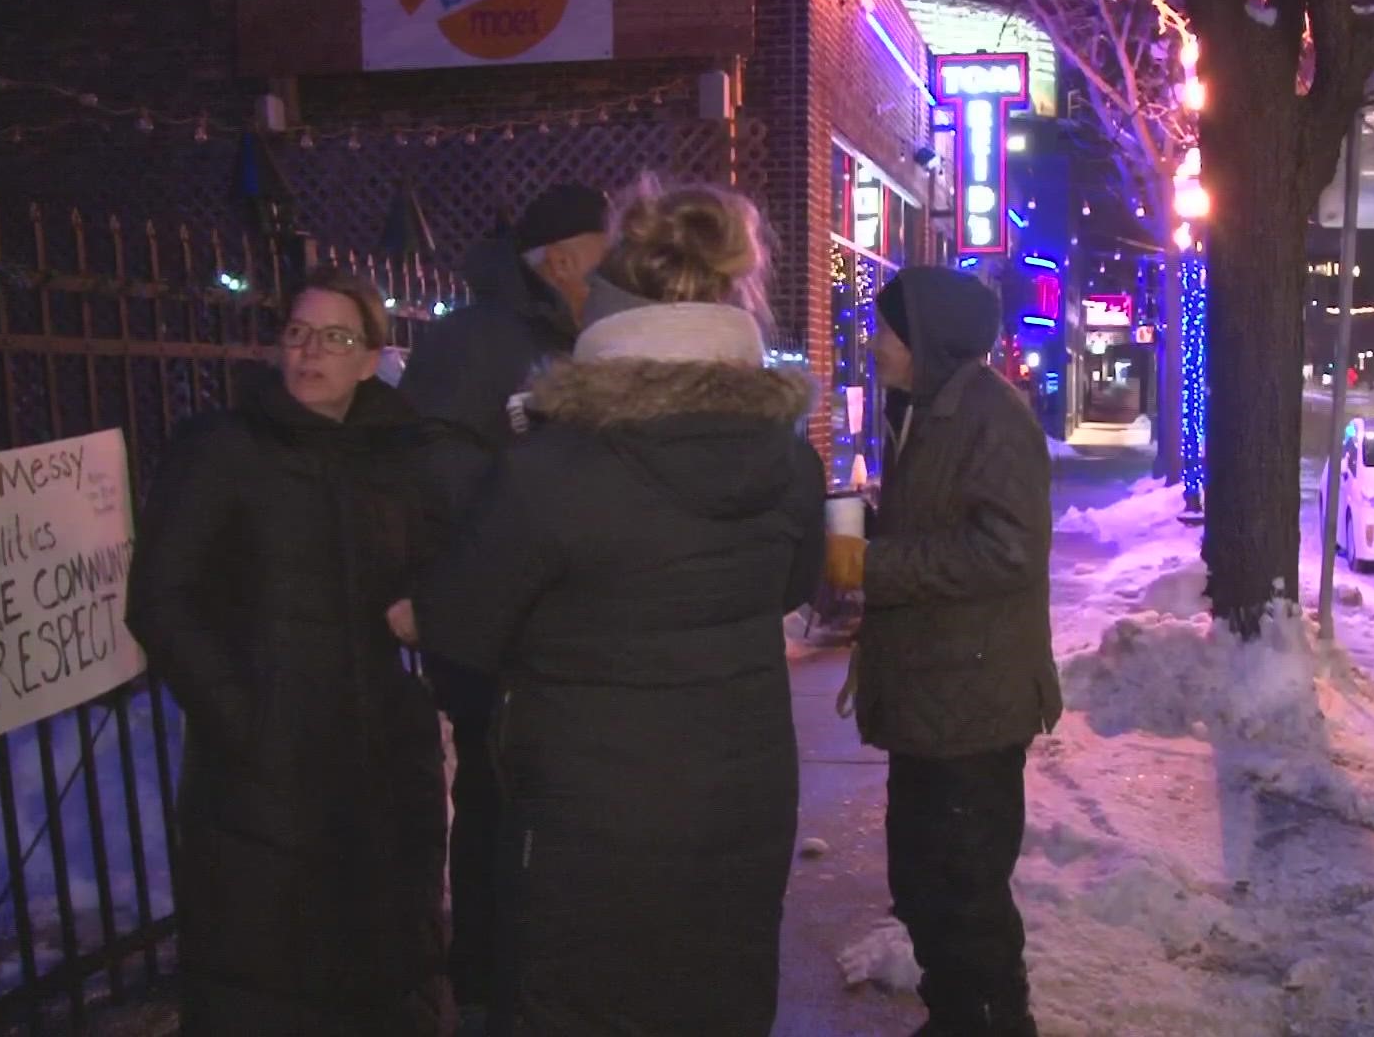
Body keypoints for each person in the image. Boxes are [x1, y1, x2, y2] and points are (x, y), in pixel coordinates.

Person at [411, 179, 824, 1035]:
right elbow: (790, 585)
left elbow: (462, 625)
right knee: (719, 994)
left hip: (590, 814)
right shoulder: (787, 462)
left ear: (608, 313)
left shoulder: (554, 468)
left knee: (583, 1002)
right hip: (743, 794)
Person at [126, 267, 457, 1036]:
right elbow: (161, 601)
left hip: (378, 755)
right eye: (298, 333)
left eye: (336, 338)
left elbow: (445, 567)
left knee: (377, 960)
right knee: (264, 969)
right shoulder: (222, 449)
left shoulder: (399, 457)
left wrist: (427, 610)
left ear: (371, 358)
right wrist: (243, 720)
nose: (311, 353)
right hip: (265, 767)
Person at [398, 182, 645, 1016]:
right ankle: (495, 997)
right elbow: (442, 496)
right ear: (565, 260)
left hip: (554, 640)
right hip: (501, 644)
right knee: (506, 827)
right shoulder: (476, 346)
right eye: (606, 259)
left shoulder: (569, 337)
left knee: (544, 829)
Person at [825, 267, 1063, 1037]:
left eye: (889, 331)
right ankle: (958, 1016)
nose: (876, 344)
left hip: (973, 702)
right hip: (935, 696)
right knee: (924, 885)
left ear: (927, 338)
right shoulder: (925, 409)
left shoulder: (989, 416)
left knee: (964, 894)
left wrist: (879, 565)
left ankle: (992, 1022)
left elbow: (1009, 549)